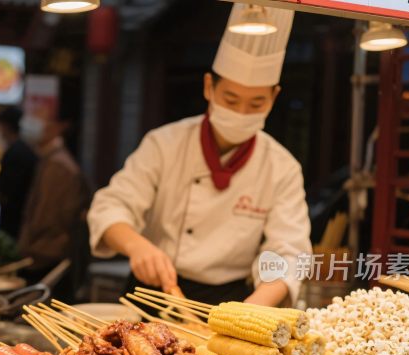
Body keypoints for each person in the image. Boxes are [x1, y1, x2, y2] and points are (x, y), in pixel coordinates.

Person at [87, 5, 311, 306]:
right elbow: (110, 207)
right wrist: (138, 247)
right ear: (209, 87)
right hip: (153, 293)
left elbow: (289, 251)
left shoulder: (282, 167)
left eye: (256, 103)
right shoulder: (164, 144)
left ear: (274, 97)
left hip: (231, 301)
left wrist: (249, 312)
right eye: (230, 99)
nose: (241, 113)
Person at [17, 105, 89, 298]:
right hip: (43, 255)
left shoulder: (59, 166)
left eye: (40, 116)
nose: (31, 121)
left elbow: (46, 218)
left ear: (60, 126)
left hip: (47, 258)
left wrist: (27, 249)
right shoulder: (49, 159)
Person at [0, 107, 38, 239]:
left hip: (13, 222)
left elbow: (4, 192)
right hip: (23, 220)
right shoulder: (26, 149)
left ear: (5, 126)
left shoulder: (14, 153)